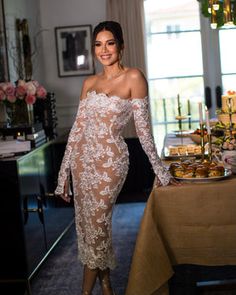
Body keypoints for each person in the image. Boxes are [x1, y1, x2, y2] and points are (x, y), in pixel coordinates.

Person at [55, 20, 178, 295]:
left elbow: (144, 133)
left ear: (121, 46)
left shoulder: (134, 77)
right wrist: (63, 175)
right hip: (82, 163)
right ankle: (106, 284)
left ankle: (85, 292)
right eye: (98, 44)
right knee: (89, 230)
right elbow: (76, 132)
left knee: (97, 223)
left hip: (111, 162)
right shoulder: (89, 82)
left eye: (110, 43)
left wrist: (161, 171)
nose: (104, 49)